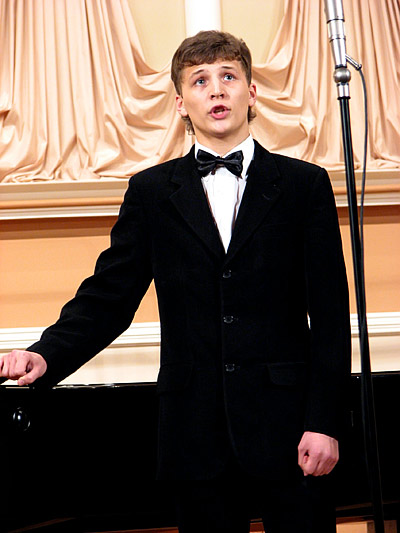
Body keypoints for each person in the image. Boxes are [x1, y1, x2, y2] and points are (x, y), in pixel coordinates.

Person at [0, 31, 350, 532]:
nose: (217, 89)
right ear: (182, 102)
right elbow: (109, 296)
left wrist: (324, 422)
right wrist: (47, 354)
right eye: (200, 81)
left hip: (291, 427)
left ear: (251, 93)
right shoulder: (150, 192)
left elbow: (331, 317)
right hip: (194, 431)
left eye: (229, 77)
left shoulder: (304, 185)